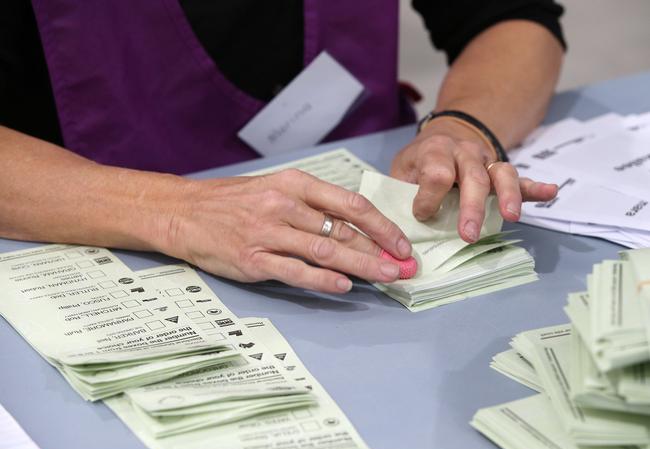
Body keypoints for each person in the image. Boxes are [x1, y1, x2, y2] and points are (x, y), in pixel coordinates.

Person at [0, 0, 564, 294]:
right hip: (89, 233)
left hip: (359, 221)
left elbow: (514, 18)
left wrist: (461, 128)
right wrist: (177, 212)